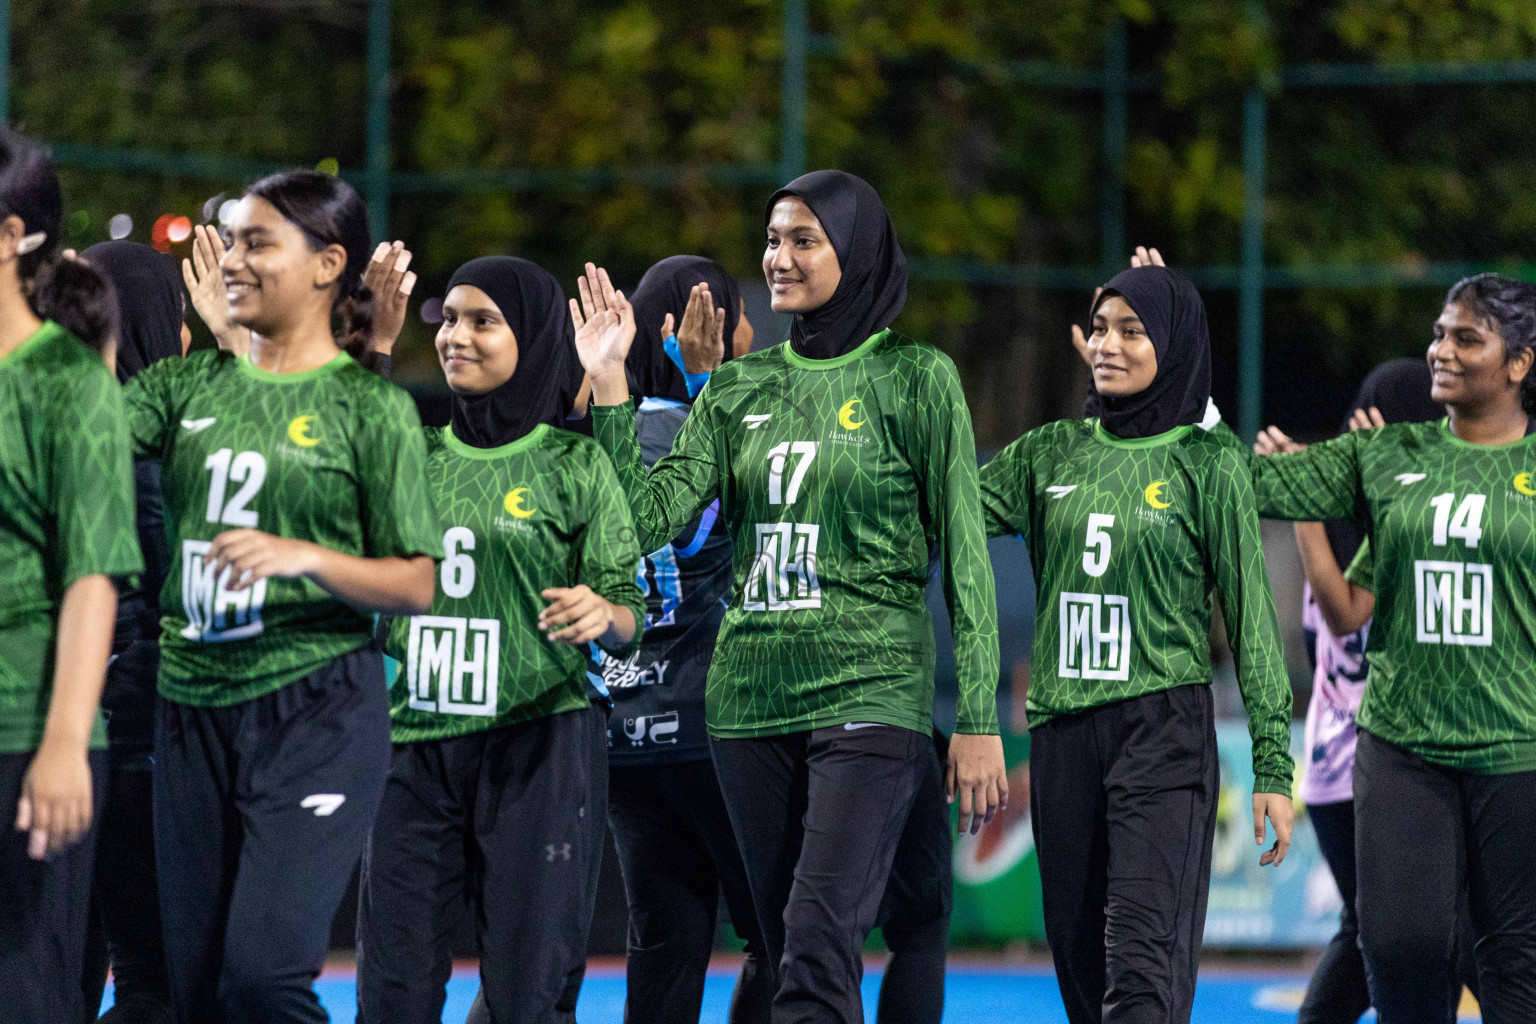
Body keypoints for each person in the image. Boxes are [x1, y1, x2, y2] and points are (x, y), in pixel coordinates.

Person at [575, 168, 1008, 1024]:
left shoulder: (918, 378)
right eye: (772, 239)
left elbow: (965, 554)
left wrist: (981, 717)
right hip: (745, 704)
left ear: (857, 249)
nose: (778, 257)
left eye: (804, 238)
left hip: (870, 690)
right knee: (778, 946)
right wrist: (613, 394)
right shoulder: (736, 388)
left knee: (818, 940)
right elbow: (642, 525)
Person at [123, 169, 442, 1024]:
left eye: (258, 241)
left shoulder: (369, 411)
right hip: (190, 709)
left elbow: (418, 581)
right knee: (194, 994)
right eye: (229, 240)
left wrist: (302, 556)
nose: (232, 258)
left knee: (263, 982)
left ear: (328, 262)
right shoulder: (184, 390)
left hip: (316, 710)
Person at [980, 264, 1294, 1024]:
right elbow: (941, 512)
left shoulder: (1207, 461)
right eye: (1099, 329)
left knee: (1144, 970)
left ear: (1175, 344)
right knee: (1082, 969)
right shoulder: (1047, 452)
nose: (1107, 345)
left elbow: (1253, 616)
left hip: (1164, 734)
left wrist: (1275, 762)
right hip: (1062, 737)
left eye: (1133, 329)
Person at [355, 255, 643, 1024]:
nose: (457, 336)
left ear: (534, 337)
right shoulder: (411, 454)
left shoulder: (576, 463)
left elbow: (629, 610)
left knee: (527, 998)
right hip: (418, 750)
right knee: (391, 995)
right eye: (448, 318)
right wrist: (376, 348)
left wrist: (601, 615)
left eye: (484, 321)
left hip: (541, 748)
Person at [1250, 273, 1536, 1024]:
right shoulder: (1389, 457)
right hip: (1402, 744)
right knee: (1398, 944)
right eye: (1439, 333)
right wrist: (1172, 342)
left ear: (1520, 363)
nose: (1441, 349)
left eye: (1466, 337)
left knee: (1513, 961)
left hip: (1518, 753)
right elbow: (1235, 481)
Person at [596, 255, 774, 1024]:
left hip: (626, 733)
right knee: (786, 936)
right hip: (718, 724)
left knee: (664, 947)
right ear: (688, 328)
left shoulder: (601, 436)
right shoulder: (722, 432)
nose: (749, 330)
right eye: (734, 311)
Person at [0, 126, 143, 1024]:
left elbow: (93, 574)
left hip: (22, 732)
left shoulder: (66, 381)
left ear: (10, 235)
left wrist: (62, 744)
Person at [77, 241, 189, 1024]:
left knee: (53, 973)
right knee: (154, 979)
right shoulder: (186, 448)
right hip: (151, 741)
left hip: (52, 740)